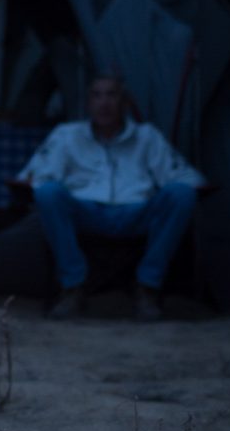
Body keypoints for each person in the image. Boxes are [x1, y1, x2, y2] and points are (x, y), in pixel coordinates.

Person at [17, 73, 205, 321]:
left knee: (181, 194)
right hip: (86, 212)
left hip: (137, 212)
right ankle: (73, 285)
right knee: (48, 193)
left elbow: (185, 176)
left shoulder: (146, 137)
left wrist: (183, 189)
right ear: (88, 103)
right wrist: (37, 185)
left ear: (125, 102)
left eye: (111, 95)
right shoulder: (67, 135)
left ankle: (148, 285)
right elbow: (33, 176)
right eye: (97, 95)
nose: (104, 103)